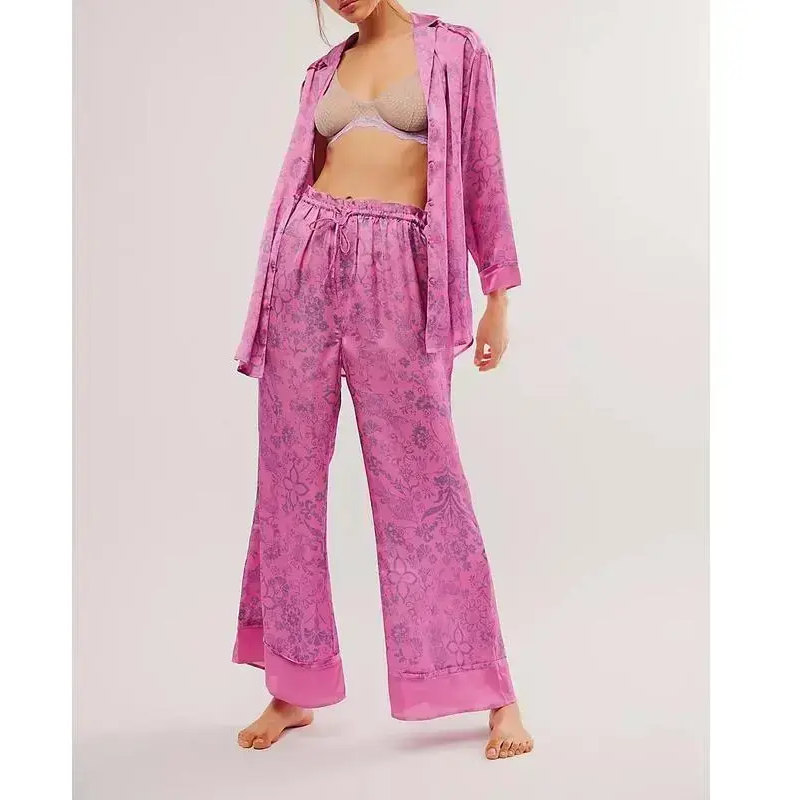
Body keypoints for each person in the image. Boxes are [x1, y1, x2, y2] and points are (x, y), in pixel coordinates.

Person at [232, 1, 534, 761]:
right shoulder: (323, 71)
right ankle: (291, 686)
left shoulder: (456, 52)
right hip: (305, 260)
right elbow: (301, 174)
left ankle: (493, 690)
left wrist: (498, 294)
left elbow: (483, 172)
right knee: (289, 480)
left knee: (425, 486)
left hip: (400, 271)